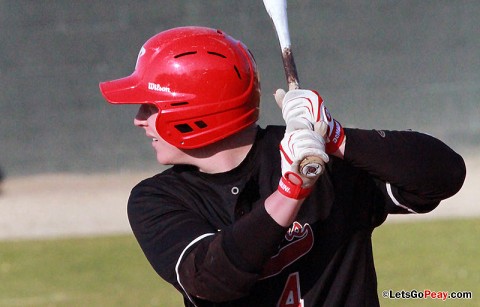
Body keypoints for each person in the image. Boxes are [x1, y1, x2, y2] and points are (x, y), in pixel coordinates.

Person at [99, 26, 466, 307]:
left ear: (195, 110)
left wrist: (336, 137)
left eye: (150, 106)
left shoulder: (321, 157)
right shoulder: (157, 199)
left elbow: (444, 176)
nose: (138, 119)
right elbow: (211, 279)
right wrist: (291, 190)